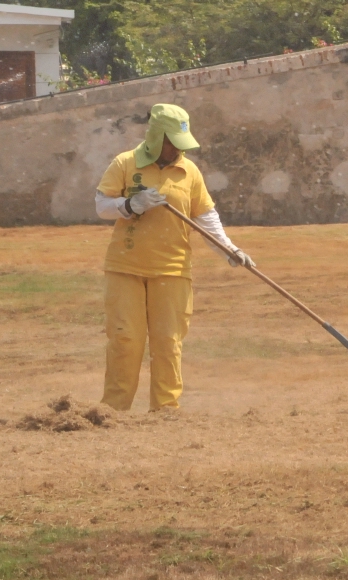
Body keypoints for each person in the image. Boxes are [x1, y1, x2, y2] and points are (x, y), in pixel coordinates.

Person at [94, 103, 254, 412]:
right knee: (125, 340)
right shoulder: (125, 163)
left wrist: (228, 249)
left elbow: (205, 215)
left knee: (168, 343)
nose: (177, 151)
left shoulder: (189, 171)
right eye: (172, 144)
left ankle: (166, 410)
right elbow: (102, 206)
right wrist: (130, 205)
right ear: (156, 137)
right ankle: (112, 410)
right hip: (125, 268)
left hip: (173, 269)